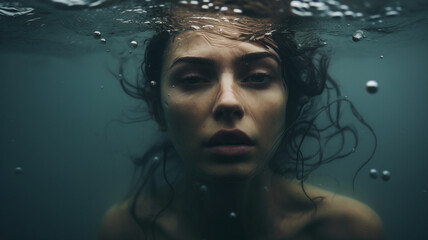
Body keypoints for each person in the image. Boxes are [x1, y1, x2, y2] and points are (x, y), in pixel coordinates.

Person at [99, 2, 384, 240]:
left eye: (258, 77)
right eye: (193, 79)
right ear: (157, 108)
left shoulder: (349, 230)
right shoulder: (126, 231)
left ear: (292, 103)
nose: (228, 102)